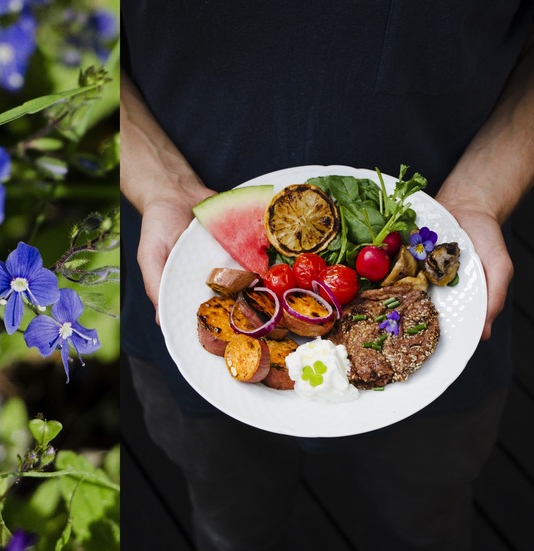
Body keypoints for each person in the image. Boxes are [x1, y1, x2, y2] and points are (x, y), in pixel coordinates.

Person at [121, 3, 534, 550]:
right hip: (183, 300)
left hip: (454, 348)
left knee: (429, 522)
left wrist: (482, 190)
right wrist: (161, 184)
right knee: (230, 525)